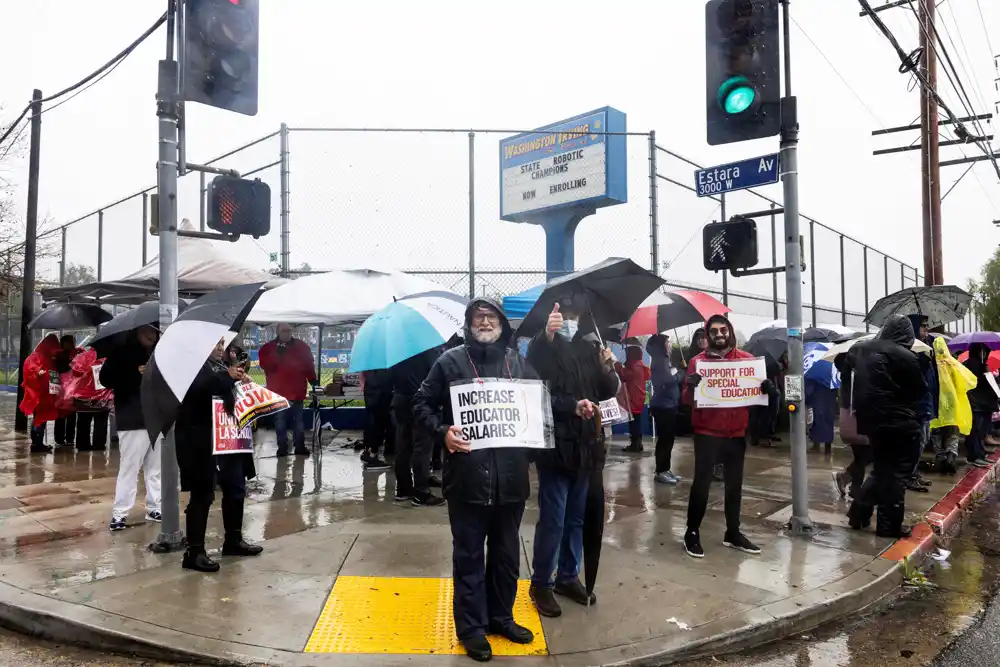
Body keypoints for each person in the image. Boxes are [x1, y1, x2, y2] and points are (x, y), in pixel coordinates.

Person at [412, 298, 536, 662]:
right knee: (468, 557)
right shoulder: (449, 362)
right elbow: (420, 405)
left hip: (511, 480)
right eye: (478, 316)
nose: (485, 321)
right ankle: (471, 628)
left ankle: (500, 617)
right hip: (467, 479)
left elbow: (539, 408)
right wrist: (442, 432)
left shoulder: (518, 363)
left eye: (491, 316)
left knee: (506, 556)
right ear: (468, 323)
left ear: (501, 322)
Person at [527, 297, 619, 618]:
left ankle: (568, 575)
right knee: (554, 518)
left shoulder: (591, 350)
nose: (568, 319)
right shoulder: (546, 348)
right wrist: (546, 337)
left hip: (588, 448)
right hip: (556, 447)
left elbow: (608, 391)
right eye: (563, 314)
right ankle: (541, 581)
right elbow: (537, 386)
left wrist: (609, 368)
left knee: (577, 518)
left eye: (574, 315)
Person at [682, 314, 777, 559]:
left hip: (736, 433)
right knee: (701, 485)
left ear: (730, 332)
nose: (720, 335)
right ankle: (692, 532)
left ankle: (733, 532)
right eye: (714, 332)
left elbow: (757, 394)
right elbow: (685, 401)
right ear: (707, 335)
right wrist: (690, 386)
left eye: (723, 330)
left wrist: (769, 391)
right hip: (706, 433)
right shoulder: (697, 362)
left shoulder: (747, 361)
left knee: (734, 486)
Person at [175, 339, 263, 573]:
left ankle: (233, 540)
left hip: (230, 440)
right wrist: (228, 378)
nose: (220, 348)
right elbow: (198, 390)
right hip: (202, 442)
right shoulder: (190, 367)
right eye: (215, 343)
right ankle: (195, 552)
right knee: (202, 494)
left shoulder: (222, 368)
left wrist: (243, 384)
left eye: (222, 343)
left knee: (236, 488)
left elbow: (227, 393)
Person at [846, 315, 927, 538]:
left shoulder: (860, 350)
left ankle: (859, 512)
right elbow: (919, 391)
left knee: (882, 470)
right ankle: (888, 525)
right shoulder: (906, 357)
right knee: (897, 475)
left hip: (871, 422)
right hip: (900, 423)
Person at [99, 325, 162, 532]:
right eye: (148, 332)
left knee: (155, 468)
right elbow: (106, 379)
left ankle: (155, 506)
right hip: (132, 418)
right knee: (130, 468)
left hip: (157, 417)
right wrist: (135, 374)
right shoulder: (121, 352)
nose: (152, 336)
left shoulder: (159, 350)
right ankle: (120, 513)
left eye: (155, 331)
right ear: (137, 331)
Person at [390, 346, 445, 506]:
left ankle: (403, 489)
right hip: (421, 401)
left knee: (402, 446)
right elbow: (436, 374)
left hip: (400, 400)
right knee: (422, 448)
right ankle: (421, 492)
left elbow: (389, 377)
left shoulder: (395, 350)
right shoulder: (428, 348)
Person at [258, 323, 316, 457]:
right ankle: (282, 447)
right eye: (284, 331)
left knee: (299, 421)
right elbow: (266, 366)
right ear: (278, 332)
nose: (287, 333)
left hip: (297, 392)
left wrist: (313, 380)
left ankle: (300, 446)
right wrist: (277, 355)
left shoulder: (301, 346)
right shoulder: (268, 348)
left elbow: (308, 364)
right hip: (278, 393)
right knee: (280, 422)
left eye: (289, 330)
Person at [929, 336, 976, 474]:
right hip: (952, 405)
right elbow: (966, 379)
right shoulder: (952, 363)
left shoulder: (931, 364)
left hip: (936, 406)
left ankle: (941, 457)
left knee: (936, 433)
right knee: (953, 433)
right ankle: (951, 456)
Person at [906, 314, 938, 491]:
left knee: (924, 439)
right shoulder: (912, 350)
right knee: (918, 440)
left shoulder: (926, 347)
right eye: (923, 325)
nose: (927, 328)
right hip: (917, 404)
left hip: (926, 402)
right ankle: (910, 475)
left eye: (928, 325)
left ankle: (914, 473)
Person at [832, 351, 871, 498]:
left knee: (861, 456)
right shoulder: (853, 379)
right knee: (867, 454)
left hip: (850, 420)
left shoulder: (846, 379)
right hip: (857, 420)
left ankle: (853, 487)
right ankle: (848, 479)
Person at [647, 334, 681, 484]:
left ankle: (666, 469)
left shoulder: (664, 360)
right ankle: (660, 471)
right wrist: (681, 375)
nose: (669, 345)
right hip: (663, 405)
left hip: (669, 404)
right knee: (665, 440)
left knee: (669, 439)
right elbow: (667, 380)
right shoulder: (660, 361)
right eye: (667, 342)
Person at [19, 334, 62, 454]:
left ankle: (38, 443)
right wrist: (38, 373)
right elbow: (30, 371)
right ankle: (36, 443)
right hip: (39, 394)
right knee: (39, 418)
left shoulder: (48, 357)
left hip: (46, 394)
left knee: (42, 419)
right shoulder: (36, 356)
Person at [963, 342, 997, 469]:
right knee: (975, 431)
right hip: (975, 402)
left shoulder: (982, 364)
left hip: (981, 403)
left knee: (980, 431)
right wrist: (984, 375)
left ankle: (979, 454)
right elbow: (973, 382)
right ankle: (975, 456)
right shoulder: (971, 364)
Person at [616, 341, 650, 453]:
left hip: (633, 400)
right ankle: (638, 444)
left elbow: (623, 375)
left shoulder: (634, 367)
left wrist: (618, 366)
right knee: (636, 422)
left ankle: (635, 445)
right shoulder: (640, 366)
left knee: (633, 423)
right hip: (639, 399)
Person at [361, 369, 393, 471]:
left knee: (373, 418)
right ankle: (372, 454)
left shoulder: (369, 354)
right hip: (381, 388)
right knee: (377, 421)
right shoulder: (385, 355)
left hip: (371, 387)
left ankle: (369, 452)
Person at [53, 335, 81, 448]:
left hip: (73, 387)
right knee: (61, 413)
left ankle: (69, 437)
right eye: (70, 342)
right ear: (64, 343)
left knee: (72, 413)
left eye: (73, 341)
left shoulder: (77, 353)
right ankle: (60, 438)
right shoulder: (59, 356)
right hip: (62, 388)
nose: (72, 344)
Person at [805, 377, 837, 454]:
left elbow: (809, 391)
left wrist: (806, 399)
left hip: (817, 400)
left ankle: (816, 445)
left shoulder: (814, 375)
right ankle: (827, 447)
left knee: (816, 421)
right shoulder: (832, 375)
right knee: (828, 423)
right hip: (830, 403)